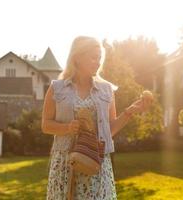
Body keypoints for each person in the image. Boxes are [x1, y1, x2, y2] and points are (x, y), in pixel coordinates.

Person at [41, 36, 153, 200]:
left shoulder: (106, 89)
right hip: (65, 163)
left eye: (100, 58)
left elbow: (110, 129)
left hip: (96, 163)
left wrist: (129, 112)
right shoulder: (57, 88)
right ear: (77, 57)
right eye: (93, 57)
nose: (98, 62)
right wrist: (67, 128)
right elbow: (45, 125)